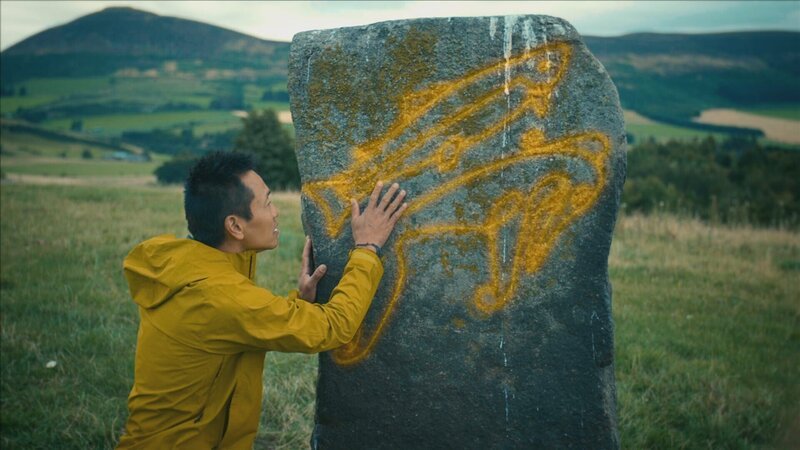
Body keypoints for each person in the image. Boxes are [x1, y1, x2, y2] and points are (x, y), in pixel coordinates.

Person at [116, 151, 407, 449]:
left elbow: (243, 322)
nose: (276, 211)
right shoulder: (219, 296)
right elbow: (331, 327)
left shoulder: (196, 265)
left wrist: (301, 304)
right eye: (267, 202)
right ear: (236, 226)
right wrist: (368, 247)